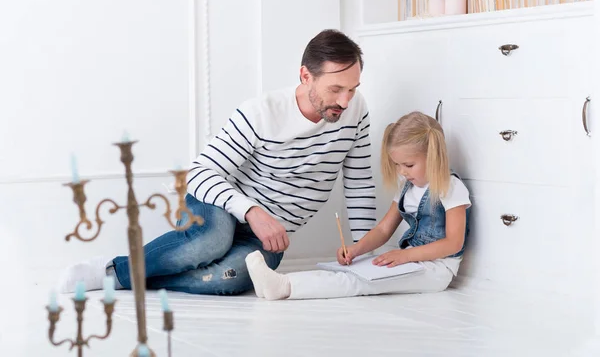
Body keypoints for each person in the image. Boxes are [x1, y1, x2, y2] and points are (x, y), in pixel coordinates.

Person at [58, 29, 377, 295]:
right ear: (305, 76)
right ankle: (112, 271)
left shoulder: (355, 109)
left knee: (232, 278)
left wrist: (364, 252)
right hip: (224, 205)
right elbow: (198, 174)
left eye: (352, 88)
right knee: (210, 242)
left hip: (264, 237)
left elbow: (359, 182)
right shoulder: (262, 113)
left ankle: (134, 277)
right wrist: (253, 211)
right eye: (335, 89)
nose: (345, 101)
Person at [244, 111, 471, 300]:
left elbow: (453, 243)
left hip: (437, 270)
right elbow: (383, 229)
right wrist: (356, 249)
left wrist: (406, 256)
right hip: (414, 260)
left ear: (433, 156)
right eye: (398, 165)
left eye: (408, 165)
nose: (402, 171)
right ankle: (282, 284)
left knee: (361, 282)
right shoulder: (407, 188)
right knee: (356, 267)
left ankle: (285, 286)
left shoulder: (450, 187)